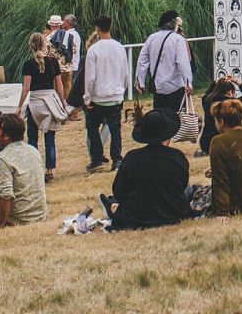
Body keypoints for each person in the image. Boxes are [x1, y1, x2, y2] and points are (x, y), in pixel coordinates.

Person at [102, 110, 200, 228]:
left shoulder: (132, 157)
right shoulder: (177, 156)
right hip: (174, 212)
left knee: (114, 201)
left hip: (138, 215)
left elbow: (119, 190)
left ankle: (112, 207)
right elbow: (182, 185)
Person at [16, 31, 68, 177]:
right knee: (49, 139)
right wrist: (62, 101)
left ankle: (34, 168)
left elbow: (26, 88)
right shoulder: (53, 62)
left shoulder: (28, 64)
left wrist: (20, 106)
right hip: (50, 101)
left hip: (35, 103)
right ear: (44, 44)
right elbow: (59, 84)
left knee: (32, 137)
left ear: (30, 46)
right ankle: (49, 170)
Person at [82, 15, 127, 172]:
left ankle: (96, 159)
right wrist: (123, 89)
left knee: (92, 127)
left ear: (97, 29)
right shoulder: (119, 47)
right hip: (115, 95)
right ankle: (117, 159)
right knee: (115, 129)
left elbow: (90, 78)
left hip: (98, 97)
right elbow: (125, 72)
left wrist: (87, 97)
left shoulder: (94, 50)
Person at [139, 10, 195, 134]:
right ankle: (164, 143)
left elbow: (142, 60)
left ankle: (159, 140)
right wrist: (188, 82)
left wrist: (140, 81)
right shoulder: (177, 39)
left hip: (158, 86)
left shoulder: (151, 38)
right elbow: (183, 62)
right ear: (174, 24)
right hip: (175, 85)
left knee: (159, 116)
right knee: (172, 118)